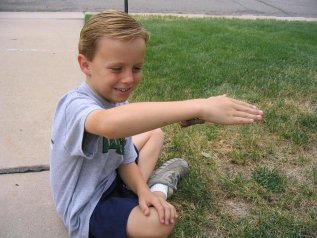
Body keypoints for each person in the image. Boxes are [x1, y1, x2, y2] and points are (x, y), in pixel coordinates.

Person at [50, 10, 263, 238]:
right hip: (89, 205)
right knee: (159, 224)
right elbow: (110, 125)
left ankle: (146, 190)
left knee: (154, 133)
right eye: (116, 68)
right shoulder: (73, 105)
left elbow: (124, 158)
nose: (129, 78)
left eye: (136, 68)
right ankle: (160, 188)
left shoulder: (116, 102)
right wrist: (200, 106)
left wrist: (142, 192)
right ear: (86, 65)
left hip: (111, 177)